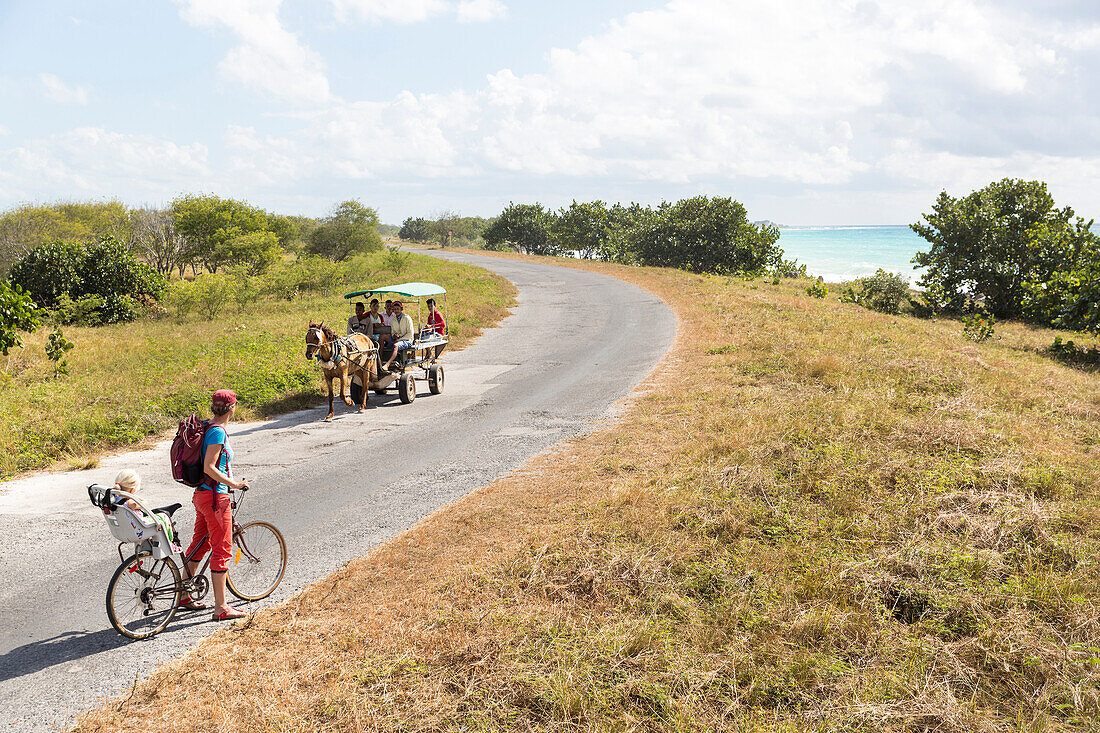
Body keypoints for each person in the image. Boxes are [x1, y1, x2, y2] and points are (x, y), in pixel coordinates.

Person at [181, 389, 251, 621]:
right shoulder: (217, 432)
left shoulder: (206, 425)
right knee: (222, 550)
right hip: (214, 499)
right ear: (232, 408)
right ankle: (221, 608)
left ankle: (183, 595)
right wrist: (236, 484)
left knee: (200, 544)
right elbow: (209, 467)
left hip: (202, 496)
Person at [382, 300, 414, 371]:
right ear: (393, 310)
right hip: (397, 339)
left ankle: (387, 364)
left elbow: (410, 334)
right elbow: (393, 332)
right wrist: (394, 336)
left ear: (401, 309)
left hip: (407, 340)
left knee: (396, 346)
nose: (396, 311)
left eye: (398, 309)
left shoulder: (407, 318)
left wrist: (398, 340)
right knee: (382, 337)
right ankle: (380, 360)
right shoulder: (393, 321)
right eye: (395, 309)